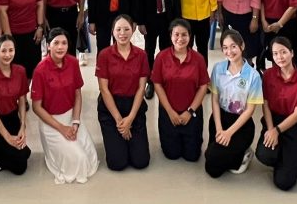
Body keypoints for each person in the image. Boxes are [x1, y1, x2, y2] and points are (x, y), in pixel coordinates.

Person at [31, 28, 100, 184]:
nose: (60, 47)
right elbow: (36, 107)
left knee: (90, 157)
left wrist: (75, 122)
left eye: (64, 43)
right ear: (48, 46)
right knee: (79, 159)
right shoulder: (40, 70)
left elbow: (77, 94)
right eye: (56, 43)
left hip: (71, 116)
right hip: (51, 121)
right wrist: (62, 128)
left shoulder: (73, 62)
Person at [204, 29, 263, 178]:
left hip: (241, 124)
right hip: (220, 118)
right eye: (225, 47)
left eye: (233, 46)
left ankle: (244, 155)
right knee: (210, 161)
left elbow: (250, 110)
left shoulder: (253, 76)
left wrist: (229, 133)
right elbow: (214, 100)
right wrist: (219, 128)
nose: (229, 51)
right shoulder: (218, 69)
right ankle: (233, 154)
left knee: (214, 164)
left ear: (242, 46)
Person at [255, 36, 297, 191]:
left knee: (284, 183)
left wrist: (277, 131)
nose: (279, 57)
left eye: (283, 52)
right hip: (273, 121)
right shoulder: (268, 75)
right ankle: (289, 161)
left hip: (294, 125)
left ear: (292, 53)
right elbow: (266, 104)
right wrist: (270, 129)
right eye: (275, 54)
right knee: (264, 155)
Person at [95, 14, 150, 171]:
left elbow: (141, 88)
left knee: (141, 161)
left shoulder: (141, 55)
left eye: (126, 29)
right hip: (111, 108)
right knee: (117, 163)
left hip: (134, 106)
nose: (122, 33)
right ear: (112, 31)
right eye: (118, 29)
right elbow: (104, 89)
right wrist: (120, 122)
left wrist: (130, 119)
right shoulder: (104, 55)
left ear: (133, 30)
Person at [150, 18, 209, 163]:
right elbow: (157, 84)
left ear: (190, 36)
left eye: (184, 35)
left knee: (192, 156)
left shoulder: (198, 59)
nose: (180, 39)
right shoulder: (161, 57)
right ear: (170, 36)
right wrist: (170, 112)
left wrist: (190, 111)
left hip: (192, 112)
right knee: (172, 154)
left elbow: (203, 86)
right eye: (176, 34)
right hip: (169, 112)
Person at [136, 0, 181, 98]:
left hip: (167, 19)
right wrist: (140, 22)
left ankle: (164, 78)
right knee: (149, 50)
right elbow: (138, 0)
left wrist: (177, 21)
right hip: (149, 20)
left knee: (166, 50)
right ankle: (150, 82)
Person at [0, 35, 32, 175]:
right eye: (3, 51)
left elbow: (22, 100)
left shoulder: (20, 71)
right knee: (16, 165)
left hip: (13, 118)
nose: (8, 55)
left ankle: (2, 149)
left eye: (11, 50)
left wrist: (22, 126)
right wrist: (8, 137)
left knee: (23, 160)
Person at [0, 0, 45, 79]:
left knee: (32, 69)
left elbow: (40, 4)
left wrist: (40, 27)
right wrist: (8, 36)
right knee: (15, 70)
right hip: (14, 34)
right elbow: (2, 11)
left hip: (32, 33)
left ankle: (26, 92)